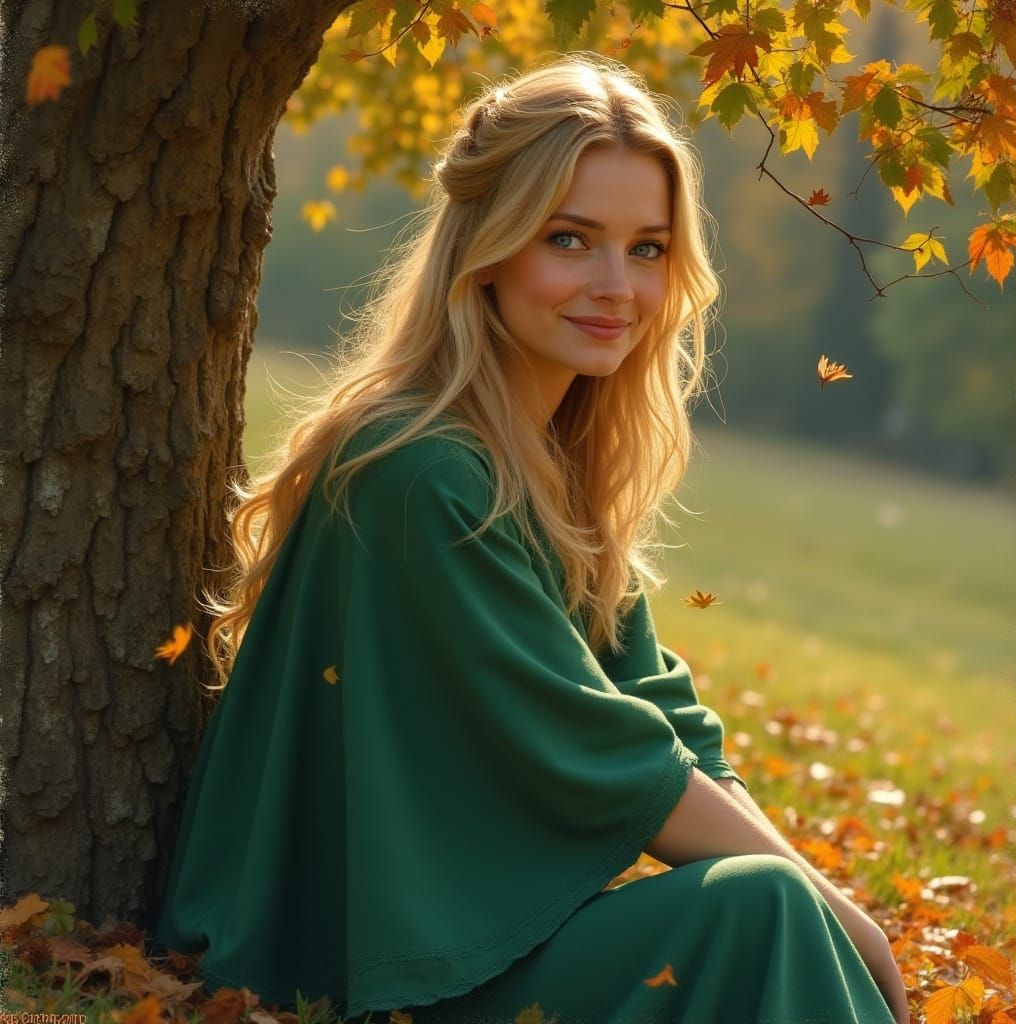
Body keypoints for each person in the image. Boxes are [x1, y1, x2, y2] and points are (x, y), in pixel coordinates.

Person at [153, 52, 910, 1024]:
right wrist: (841, 915)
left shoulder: (557, 468)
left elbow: (664, 719)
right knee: (760, 910)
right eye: (570, 238)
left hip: (475, 941)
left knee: (774, 904)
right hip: (360, 968)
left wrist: (823, 895)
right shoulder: (419, 467)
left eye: (646, 247)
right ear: (489, 246)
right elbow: (607, 757)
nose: (615, 285)